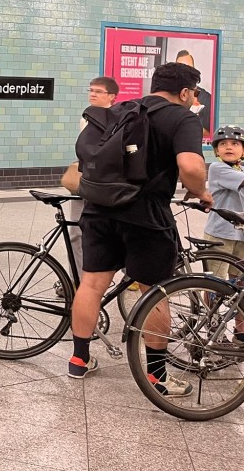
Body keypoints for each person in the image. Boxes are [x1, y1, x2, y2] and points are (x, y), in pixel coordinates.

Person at [68, 62, 213, 397]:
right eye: (193, 93)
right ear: (185, 92)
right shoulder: (182, 117)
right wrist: (202, 192)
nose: (194, 99)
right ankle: (157, 377)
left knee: (91, 284)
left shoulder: (121, 109)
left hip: (99, 208)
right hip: (145, 215)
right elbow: (190, 165)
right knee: (155, 291)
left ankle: (78, 360)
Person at [60, 76, 119, 278]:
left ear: (111, 96)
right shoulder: (85, 118)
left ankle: (130, 275)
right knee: (76, 233)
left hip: (106, 185)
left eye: (98, 91)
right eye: (91, 90)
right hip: (84, 180)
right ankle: (75, 279)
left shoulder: (119, 120)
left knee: (115, 232)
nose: (93, 94)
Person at [204, 125, 244, 342]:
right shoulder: (218, 168)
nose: (229, 147)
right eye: (223, 144)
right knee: (214, 284)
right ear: (216, 150)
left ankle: (241, 331)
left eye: (235, 143)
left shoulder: (240, 169)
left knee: (241, 285)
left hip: (241, 236)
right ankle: (213, 330)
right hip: (220, 234)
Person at [175, 50, 212, 133]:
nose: (185, 72)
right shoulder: (168, 97)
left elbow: (212, 135)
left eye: (189, 68)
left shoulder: (207, 100)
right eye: (180, 68)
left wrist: (193, 123)